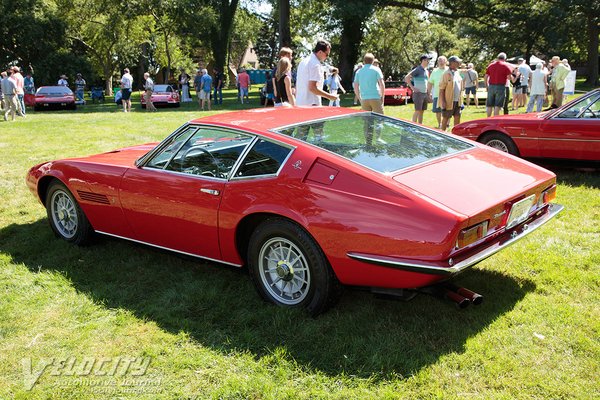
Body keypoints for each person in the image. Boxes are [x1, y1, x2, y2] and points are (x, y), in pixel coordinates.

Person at [296, 39, 338, 107]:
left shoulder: (304, 61)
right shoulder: (315, 64)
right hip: (311, 104)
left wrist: (330, 70)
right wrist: (330, 96)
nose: (327, 57)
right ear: (320, 52)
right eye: (327, 54)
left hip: (300, 103)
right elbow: (312, 88)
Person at [439, 55, 464, 131]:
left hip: (458, 101)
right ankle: (443, 134)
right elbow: (442, 89)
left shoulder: (457, 73)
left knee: (457, 116)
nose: (459, 63)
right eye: (457, 62)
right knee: (446, 118)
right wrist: (443, 101)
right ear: (452, 63)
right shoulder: (446, 74)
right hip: (448, 101)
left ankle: (456, 134)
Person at [484, 52, 513, 117]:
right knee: (497, 105)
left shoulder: (491, 65)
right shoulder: (506, 66)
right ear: (505, 59)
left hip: (491, 86)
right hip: (500, 86)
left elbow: (485, 77)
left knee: (489, 104)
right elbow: (509, 78)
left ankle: (488, 118)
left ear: (497, 57)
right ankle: (495, 119)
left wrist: (486, 86)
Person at [405, 54, 431, 124]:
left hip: (424, 93)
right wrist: (412, 87)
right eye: (427, 60)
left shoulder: (426, 71)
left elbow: (427, 82)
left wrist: (428, 93)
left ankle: (420, 126)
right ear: (423, 60)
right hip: (418, 94)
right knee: (417, 110)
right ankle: (413, 126)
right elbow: (407, 77)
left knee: (422, 111)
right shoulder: (417, 69)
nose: (428, 62)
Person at [427, 56, 448, 128]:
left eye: (442, 61)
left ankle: (446, 123)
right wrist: (429, 93)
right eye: (439, 61)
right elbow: (430, 82)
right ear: (438, 62)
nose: (441, 62)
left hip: (448, 94)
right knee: (438, 111)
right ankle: (440, 124)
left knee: (447, 110)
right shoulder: (435, 71)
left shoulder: (449, 70)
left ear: (446, 62)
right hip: (437, 94)